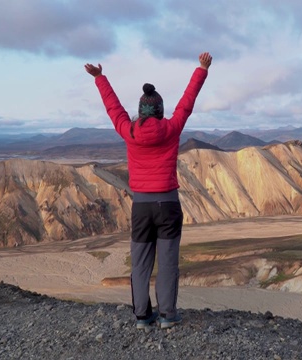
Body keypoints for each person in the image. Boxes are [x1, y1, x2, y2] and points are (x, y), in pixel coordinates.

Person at [84, 52, 212, 329]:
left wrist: (99, 78)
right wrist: (201, 69)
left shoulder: (129, 131)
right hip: (168, 204)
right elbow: (187, 103)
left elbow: (113, 109)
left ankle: (142, 316)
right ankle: (168, 315)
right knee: (167, 262)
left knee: (140, 262)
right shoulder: (172, 128)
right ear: (161, 110)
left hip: (141, 206)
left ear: (141, 112)